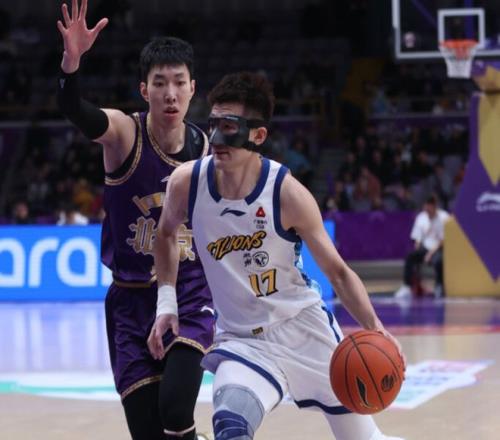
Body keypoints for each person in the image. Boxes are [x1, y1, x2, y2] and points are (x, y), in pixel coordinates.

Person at [149, 71, 406, 440]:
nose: (217, 138)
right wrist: (166, 303)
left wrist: (375, 327)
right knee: (231, 427)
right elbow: (165, 235)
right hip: (243, 341)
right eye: (213, 124)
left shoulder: (287, 194)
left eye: (229, 127)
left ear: (258, 135)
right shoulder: (187, 183)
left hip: (304, 330)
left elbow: (338, 273)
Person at [56, 1, 214, 439]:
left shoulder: (205, 148)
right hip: (130, 302)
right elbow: (77, 111)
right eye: (160, 83)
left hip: (188, 292)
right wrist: (71, 65)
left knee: (176, 409)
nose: (170, 93)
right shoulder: (126, 134)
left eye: (179, 82)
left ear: (192, 89)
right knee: (148, 432)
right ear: (144, 90)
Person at [395, 194, 450, 299]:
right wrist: (418, 250)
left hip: (438, 249)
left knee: (439, 261)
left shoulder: (444, 217)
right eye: (426, 209)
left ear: (435, 206)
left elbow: (443, 240)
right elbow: (417, 238)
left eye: (430, 209)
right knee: (410, 256)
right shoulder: (421, 217)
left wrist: (430, 254)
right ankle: (407, 286)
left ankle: (439, 286)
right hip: (425, 248)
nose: (427, 212)